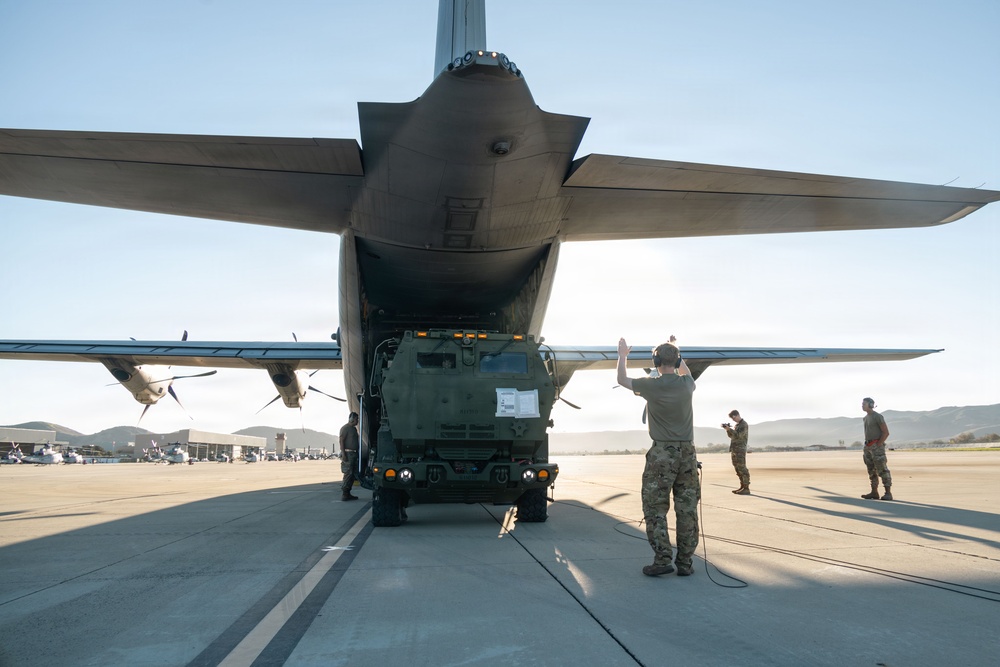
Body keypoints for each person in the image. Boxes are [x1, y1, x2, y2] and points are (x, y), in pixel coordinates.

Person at [617, 336, 699, 577]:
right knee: (687, 510)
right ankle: (685, 563)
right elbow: (685, 371)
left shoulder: (651, 385)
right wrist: (676, 347)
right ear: (678, 361)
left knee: (655, 507)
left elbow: (622, 379)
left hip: (663, 452)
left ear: (655, 361)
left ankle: (663, 559)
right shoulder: (687, 385)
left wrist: (623, 355)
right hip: (688, 453)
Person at [860, 397, 892, 501]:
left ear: (870, 405)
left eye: (864, 404)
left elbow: (886, 432)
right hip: (868, 446)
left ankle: (888, 492)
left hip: (876, 446)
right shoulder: (865, 418)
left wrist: (878, 444)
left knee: (882, 469)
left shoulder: (877, 416)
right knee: (871, 470)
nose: (862, 405)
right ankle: (874, 492)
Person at [723, 410, 750, 494]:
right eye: (732, 418)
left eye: (734, 417)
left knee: (742, 468)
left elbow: (738, 435)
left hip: (740, 449)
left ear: (738, 415)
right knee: (737, 468)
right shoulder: (737, 425)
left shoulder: (744, 425)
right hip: (735, 449)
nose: (733, 420)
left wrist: (729, 429)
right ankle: (742, 486)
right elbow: (732, 436)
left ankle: (746, 487)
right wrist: (727, 430)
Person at [339, 412, 360, 501]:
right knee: (348, 474)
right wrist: (343, 454)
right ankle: (345, 493)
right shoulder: (345, 428)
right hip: (348, 454)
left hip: (354, 454)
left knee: (352, 475)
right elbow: (341, 440)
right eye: (356, 419)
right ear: (352, 419)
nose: (357, 421)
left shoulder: (354, 429)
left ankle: (348, 493)